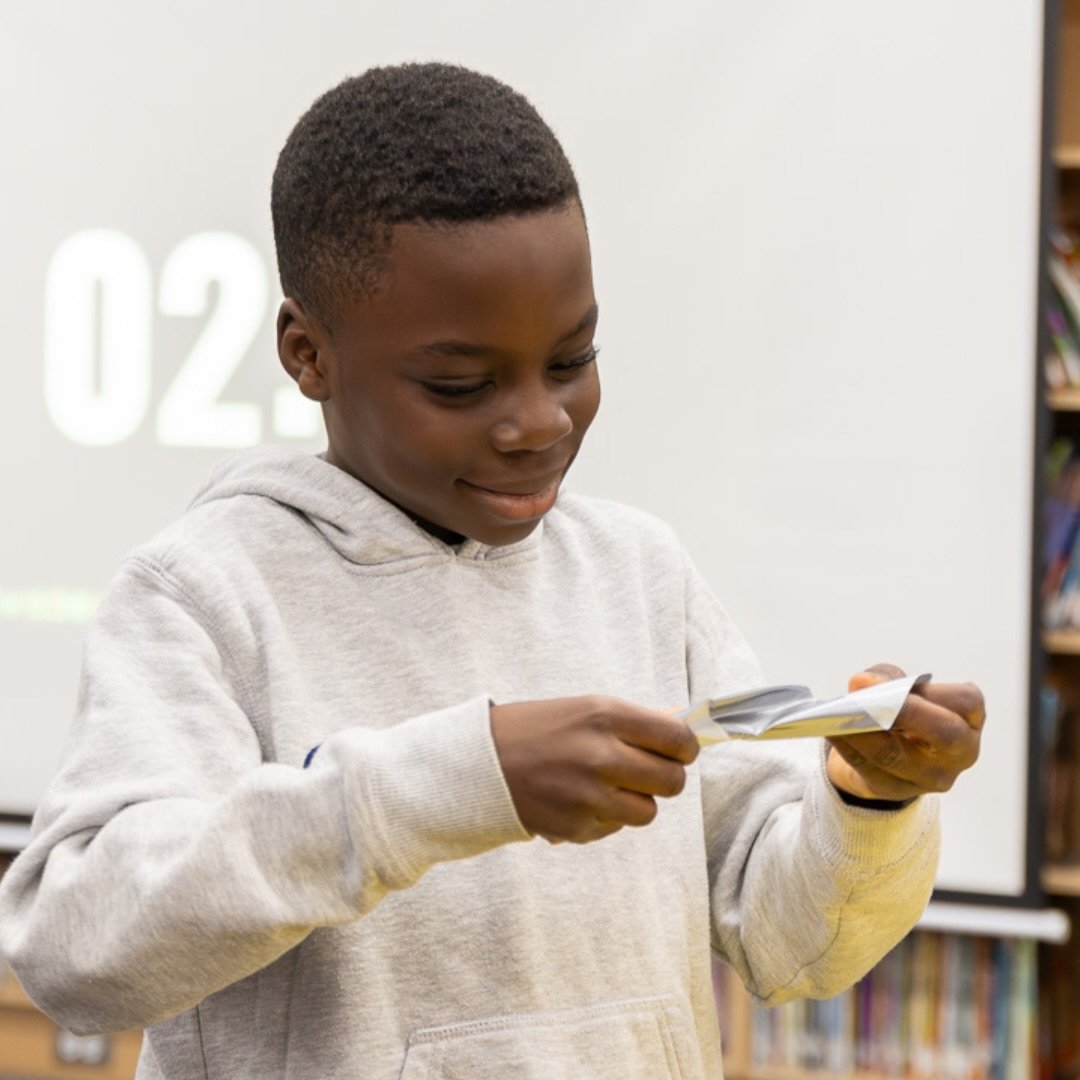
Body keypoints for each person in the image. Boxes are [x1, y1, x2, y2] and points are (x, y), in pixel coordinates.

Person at [0, 63, 984, 1079]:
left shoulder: (640, 572)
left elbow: (797, 948)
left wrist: (867, 801)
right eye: (461, 384)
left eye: (572, 361)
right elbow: (77, 952)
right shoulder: (204, 595)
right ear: (307, 354)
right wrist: (461, 781)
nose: (539, 423)